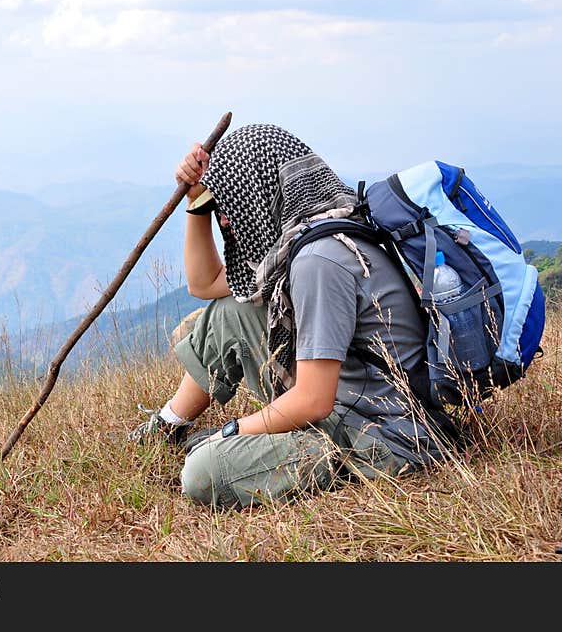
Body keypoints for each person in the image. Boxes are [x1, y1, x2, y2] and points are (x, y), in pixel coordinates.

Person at [127, 123, 458, 510]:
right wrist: (198, 199)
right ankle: (167, 426)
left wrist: (229, 433)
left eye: (230, 203)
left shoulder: (318, 261)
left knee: (204, 471)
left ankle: (321, 462)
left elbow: (314, 401)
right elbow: (206, 283)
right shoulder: (308, 238)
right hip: (346, 395)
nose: (226, 221)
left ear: (259, 196)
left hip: (379, 434)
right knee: (231, 312)